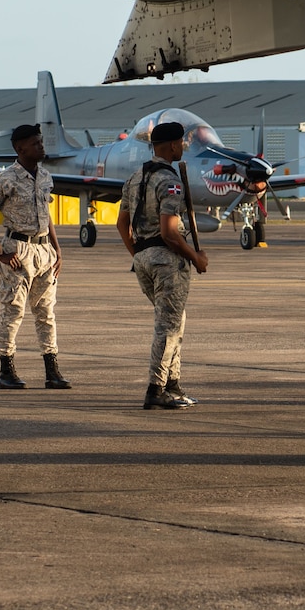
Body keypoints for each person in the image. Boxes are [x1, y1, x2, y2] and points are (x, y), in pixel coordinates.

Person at [118, 121, 208, 409]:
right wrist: (196, 258)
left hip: (143, 258)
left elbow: (122, 224)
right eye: (181, 142)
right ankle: (155, 390)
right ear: (171, 145)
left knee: (175, 321)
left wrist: (138, 253)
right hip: (166, 260)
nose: (183, 147)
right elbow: (170, 232)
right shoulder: (170, 182)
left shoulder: (134, 178)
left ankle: (173, 385)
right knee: (168, 327)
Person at [0, 123, 69, 391]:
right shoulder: (5, 179)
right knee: (13, 311)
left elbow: (47, 215)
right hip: (18, 250)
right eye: (36, 143)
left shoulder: (45, 177)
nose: (41, 146)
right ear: (20, 148)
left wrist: (57, 249)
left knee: (46, 312)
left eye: (41, 142)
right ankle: (7, 370)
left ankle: (52, 371)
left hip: (44, 252)